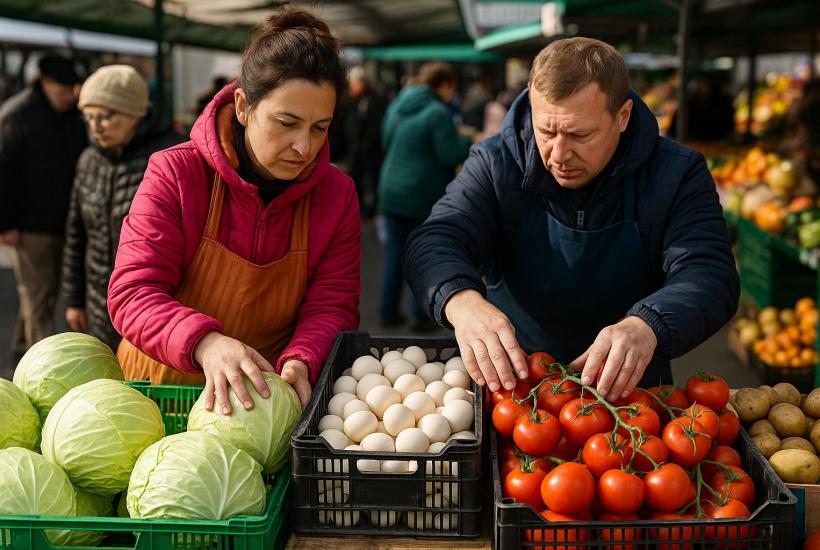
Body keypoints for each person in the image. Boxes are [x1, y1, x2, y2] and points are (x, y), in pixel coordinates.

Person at [404, 38, 739, 401]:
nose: (559, 154)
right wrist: (462, 301)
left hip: (632, 395)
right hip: (516, 386)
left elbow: (708, 272)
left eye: (580, 134)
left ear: (622, 116)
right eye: (546, 132)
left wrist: (648, 325)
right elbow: (437, 238)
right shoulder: (494, 163)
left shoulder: (678, 174)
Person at [107, 8, 360, 412]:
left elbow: (332, 305)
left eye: (319, 128)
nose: (304, 147)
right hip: (156, 396)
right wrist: (205, 343)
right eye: (286, 122)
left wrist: (302, 358)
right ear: (243, 106)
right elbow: (133, 294)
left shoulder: (336, 195)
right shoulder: (177, 173)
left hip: (256, 402)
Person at [60, 65, 181, 351]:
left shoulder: (171, 158)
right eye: (88, 117)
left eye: (105, 116)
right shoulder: (89, 160)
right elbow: (77, 235)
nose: (96, 126)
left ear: (136, 112)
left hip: (156, 312)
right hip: (99, 305)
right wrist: (74, 299)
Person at [0, 54, 87, 355]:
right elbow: (3, 171)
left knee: (40, 293)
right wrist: (6, 223)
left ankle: (21, 349)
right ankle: (42, 361)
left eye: (72, 90)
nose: (69, 96)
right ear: (45, 83)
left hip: (64, 220)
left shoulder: (72, 115)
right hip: (29, 226)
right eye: (63, 90)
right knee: (39, 296)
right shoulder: (17, 115)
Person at [377, 62, 472, 330]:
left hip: (390, 187)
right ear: (444, 85)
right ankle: (421, 317)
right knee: (424, 254)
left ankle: (387, 312)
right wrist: (469, 140)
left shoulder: (398, 104)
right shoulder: (437, 112)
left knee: (395, 253)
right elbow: (449, 154)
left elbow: (384, 140)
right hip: (420, 193)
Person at [341, 65, 384, 218]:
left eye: (355, 83)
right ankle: (357, 206)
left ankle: (370, 209)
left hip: (368, 150)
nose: (352, 87)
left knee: (370, 180)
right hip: (355, 148)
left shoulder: (372, 100)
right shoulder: (351, 99)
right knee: (355, 178)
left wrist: (366, 143)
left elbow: (374, 125)